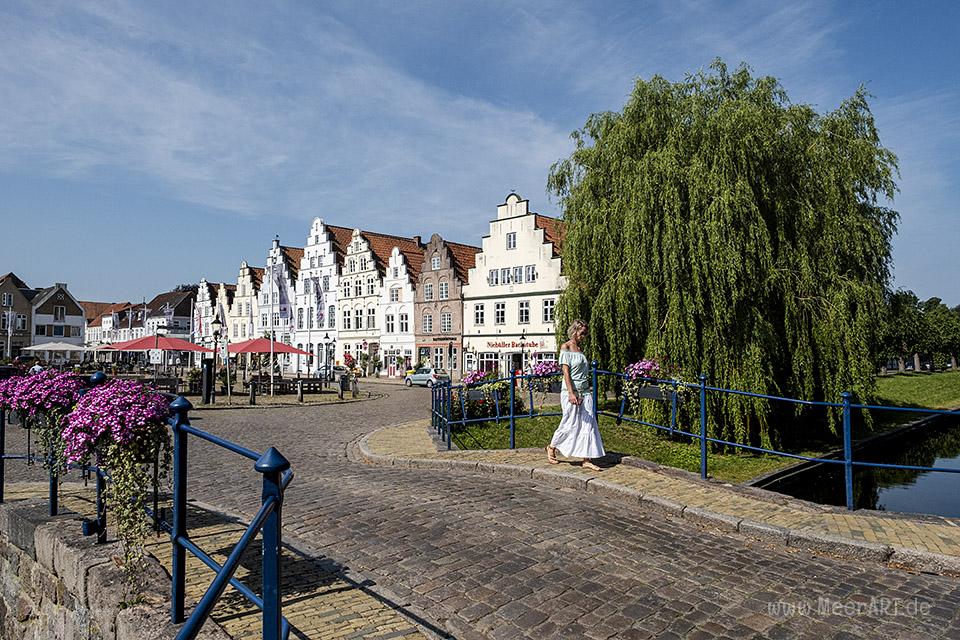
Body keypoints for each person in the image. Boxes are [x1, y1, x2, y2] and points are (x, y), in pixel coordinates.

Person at [546, 319, 605, 471]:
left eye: (585, 334)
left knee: (589, 423)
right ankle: (552, 447)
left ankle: (586, 459)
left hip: (585, 391)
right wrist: (571, 393)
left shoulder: (579, 349)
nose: (584, 336)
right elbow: (566, 372)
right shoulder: (565, 347)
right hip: (570, 392)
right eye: (582, 333)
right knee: (569, 422)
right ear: (575, 331)